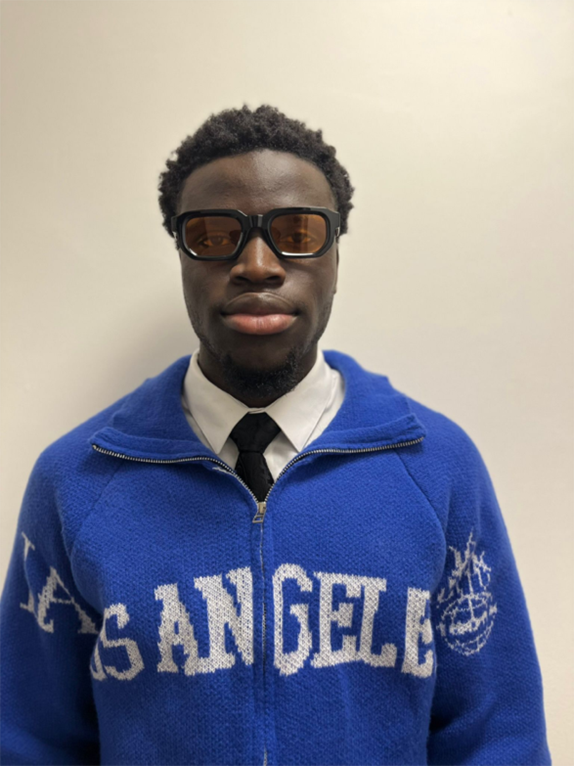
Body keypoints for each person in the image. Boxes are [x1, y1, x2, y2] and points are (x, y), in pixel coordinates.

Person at [0, 105, 551, 766]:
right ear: (181, 255)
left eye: (296, 232)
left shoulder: (437, 467)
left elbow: (498, 739)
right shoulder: (76, 481)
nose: (257, 265)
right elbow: (30, 741)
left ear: (336, 256)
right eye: (214, 235)